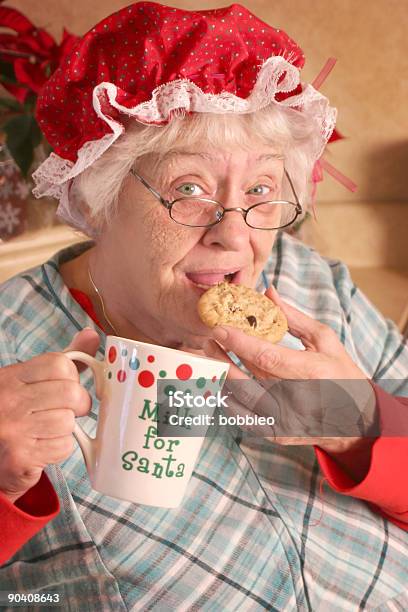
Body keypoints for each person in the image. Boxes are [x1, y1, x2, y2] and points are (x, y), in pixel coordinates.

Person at [0, 2, 407, 610]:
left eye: (262, 191)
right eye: (187, 189)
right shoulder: (10, 338)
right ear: (99, 196)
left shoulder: (313, 284)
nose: (236, 234)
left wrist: (362, 428)